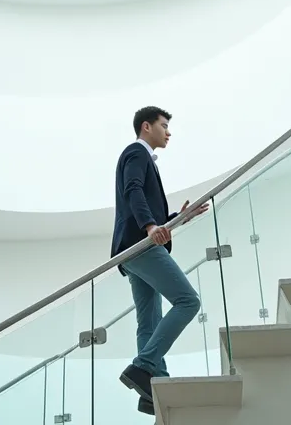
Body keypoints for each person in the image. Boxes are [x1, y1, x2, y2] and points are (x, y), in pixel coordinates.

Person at [112, 106, 209, 415]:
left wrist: (178, 218)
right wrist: (150, 227)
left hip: (132, 250)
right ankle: (143, 366)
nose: (168, 132)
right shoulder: (137, 153)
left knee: (149, 322)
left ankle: (153, 388)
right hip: (140, 245)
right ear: (146, 127)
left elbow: (140, 200)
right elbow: (133, 190)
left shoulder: (140, 156)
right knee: (188, 301)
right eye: (164, 125)